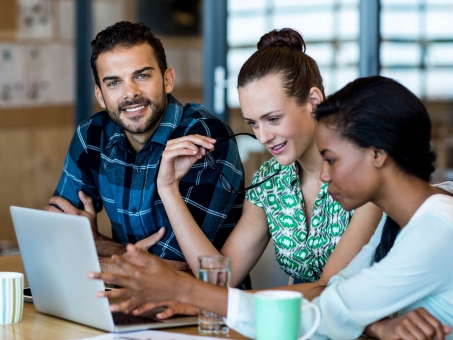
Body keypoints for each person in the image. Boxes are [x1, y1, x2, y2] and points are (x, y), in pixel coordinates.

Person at [90, 76, 453, 340]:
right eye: (253, 123)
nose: (325, 175)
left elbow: (330, 308)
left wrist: (185, 291)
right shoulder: (400, 221)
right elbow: (333, 301)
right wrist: (376, 324)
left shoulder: (437, 229)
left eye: (333, 159)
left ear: (378, 153)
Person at [123, 28, 382, 318]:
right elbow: (220, 277)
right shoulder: (271, 182)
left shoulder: (364, 173)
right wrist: (168, 188)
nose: (263, 137)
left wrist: (204, 299)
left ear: (314, 101)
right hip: (301, 329)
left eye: (272, 119)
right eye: (253, 123)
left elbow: (328, 289)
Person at [47, 21, 245, 274]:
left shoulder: (204, 138)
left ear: (168, 79)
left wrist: (96, 246)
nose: (130, 93)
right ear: (100, 95)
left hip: (201, 309)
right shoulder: (92, 136)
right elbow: (57, 236)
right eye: (114, 83)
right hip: (119, 298)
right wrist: (113, 255)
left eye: (142, 76)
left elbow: (180, 267)